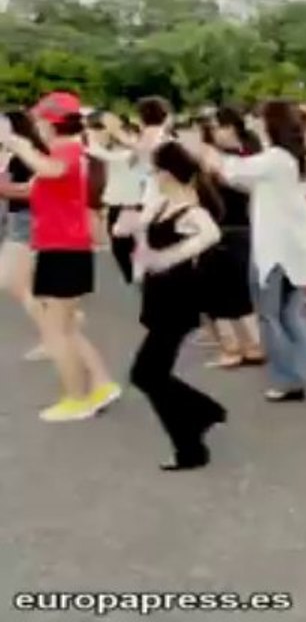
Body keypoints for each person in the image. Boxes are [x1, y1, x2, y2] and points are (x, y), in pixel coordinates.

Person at [183, 100, 306, 403]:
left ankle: (289, 380)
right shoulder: (290, 158)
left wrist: (204, 150)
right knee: (290, 314)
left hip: (273, 250)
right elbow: (244, 179)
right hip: (295, 249)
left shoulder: (275, 158)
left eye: (259, 119)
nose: (253, 124)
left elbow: (232, 170)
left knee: (269, 316)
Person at [0, 93, 120, 422]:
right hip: (61, 247)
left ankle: (76, 398)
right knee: (66, 330)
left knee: (57, 333)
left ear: (50, 122)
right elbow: (31, 188)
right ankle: (100, 384)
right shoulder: (64, 151)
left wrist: (15, 143)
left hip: (64, 248)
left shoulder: (66, 150)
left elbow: (50, 171)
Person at [119, 143, 227, 470]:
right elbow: (133, 231)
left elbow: (211, 236)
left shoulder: (193, 212)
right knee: (151, 374)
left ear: (168, 173)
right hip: (159, 295)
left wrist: (167, 258)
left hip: (177, 298)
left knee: (146, 374)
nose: (153, 176)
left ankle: (194, 438)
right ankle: (199, 421)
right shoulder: (162, 203)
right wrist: (135, 238)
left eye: (156, 170)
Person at [197, 108, 265, 369]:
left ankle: (239, 347)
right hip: (227, 227)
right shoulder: (242, 155)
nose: (213, 132)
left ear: (231, 127)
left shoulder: (237, 159)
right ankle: (245, 345)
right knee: (226, 291)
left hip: (232, 227)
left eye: (217, 126)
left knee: (225, 291)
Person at [0, 111, 47, 361]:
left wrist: (3, 184)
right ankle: (59, 324)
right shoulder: (28, 152)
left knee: (14, 282)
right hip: (24, 219)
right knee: (21, 283)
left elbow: (29, 191)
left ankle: (54, 334)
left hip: (25, 220)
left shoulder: (22, 155)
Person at [85, 112, 147, 285]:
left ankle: (138, 278)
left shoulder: (131, 149)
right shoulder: (112, 148)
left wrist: (99, 136)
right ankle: (133, 278)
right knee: (120, 247)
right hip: (117, 204)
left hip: (133, 204)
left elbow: (104, 153)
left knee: (129, 245)